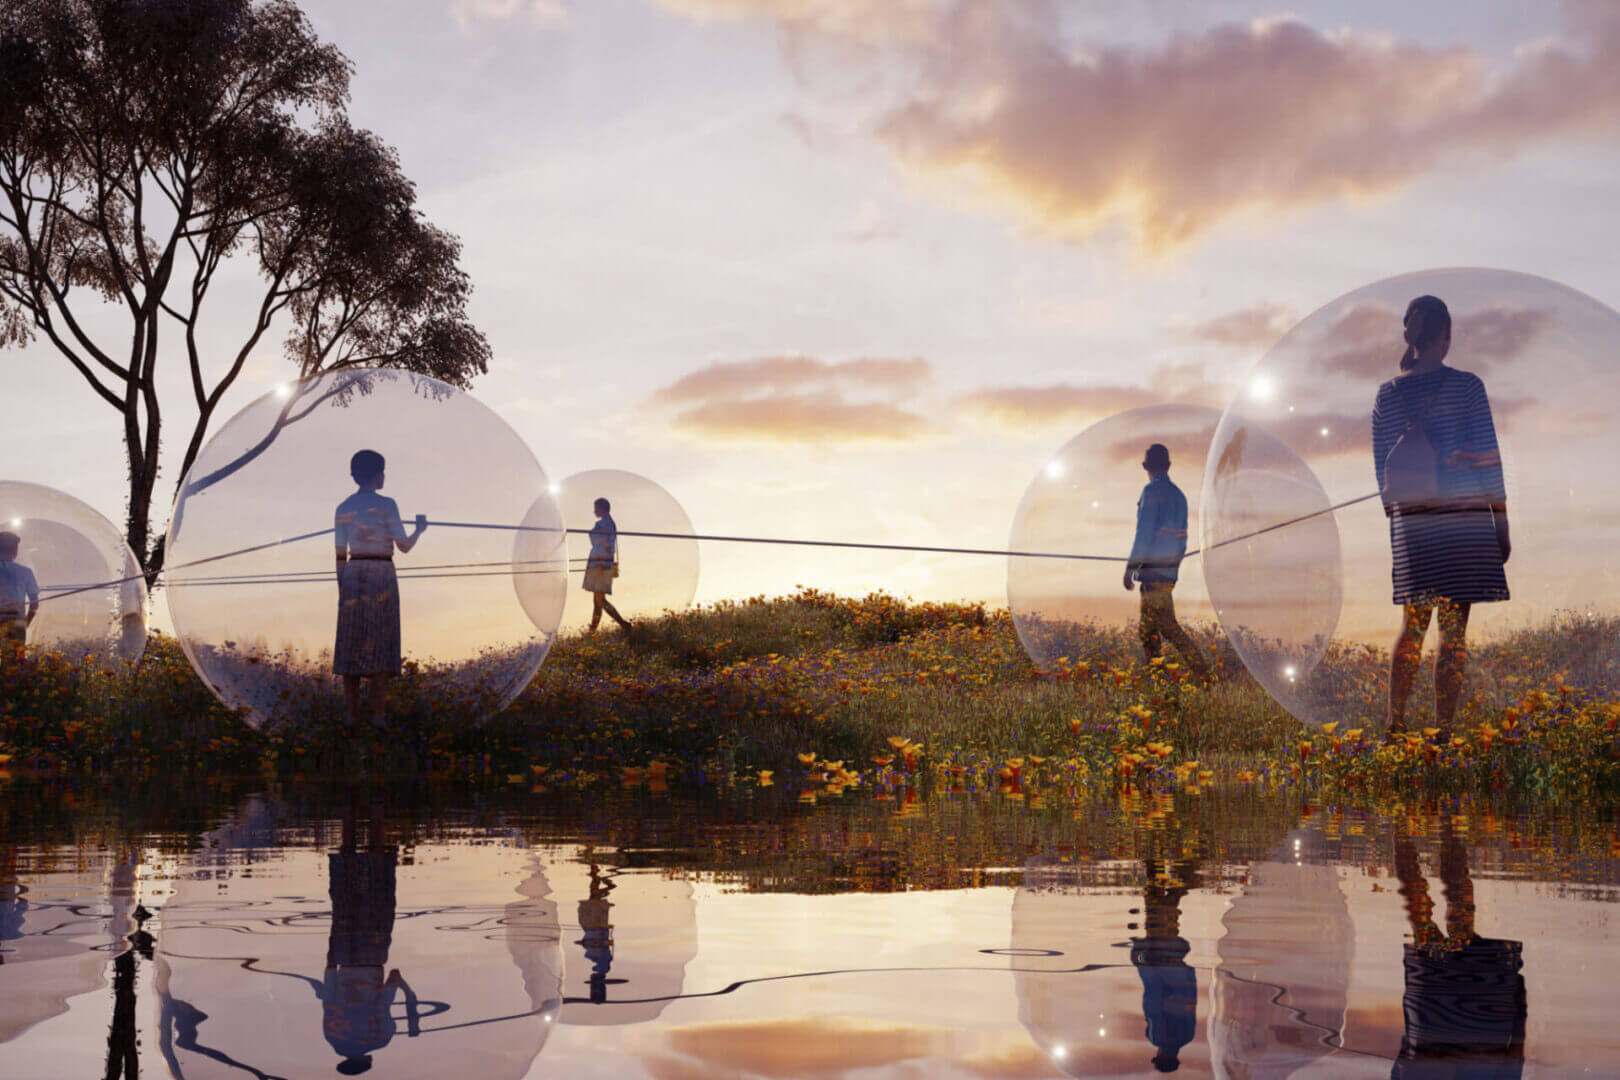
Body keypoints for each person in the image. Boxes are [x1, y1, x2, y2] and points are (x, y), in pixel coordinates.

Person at [1373, 296, 1510, 742]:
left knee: (1412, 626)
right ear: (1446, 338)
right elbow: (1488, 460)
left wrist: (1407, 515)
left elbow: (1384, 479)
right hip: (1466, 524)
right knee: (1454, 631)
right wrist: (1501, 524)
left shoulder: (1387, 395)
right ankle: (1443, 733)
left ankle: (1394, 724)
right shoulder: (1469, 387)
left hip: (1413, 526)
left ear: (1409, 335)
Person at [1389, 815, 1525, 1078]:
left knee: (1441, 911)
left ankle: (1432, 821)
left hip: (1470, 1018)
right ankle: (1424, 822)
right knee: (1424, 910)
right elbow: (1402, 1068)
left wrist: (1517, 998)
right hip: (1449, 1018)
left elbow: (1516, 1055)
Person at [320, 790, 420, 1076]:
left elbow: (391, 984)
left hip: (374, 952)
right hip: (342, 950)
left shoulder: (380, 1037)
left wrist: (403, 987)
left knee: (378, 876)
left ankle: (377, 807)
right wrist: (331, 949)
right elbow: (329, 988)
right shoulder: (332, 1035)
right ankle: (349, 808)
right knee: (346, 875)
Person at [333, 450, 426, 730]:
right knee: (380, 642)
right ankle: (378, 717)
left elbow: (339, 554)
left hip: (352, 572)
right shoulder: (388, 504)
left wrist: (342, 588)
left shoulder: (343, 507)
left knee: (351, 641)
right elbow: (404, 546)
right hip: (381, 572)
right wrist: (419, 529)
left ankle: (351, 716)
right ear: (377, 475)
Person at [1123, 444, 1211, 681]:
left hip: (1152, 574)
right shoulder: (1179, 496)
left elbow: (1144, 534)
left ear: (1145, 466)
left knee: (1159, 629)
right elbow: (1182, 540)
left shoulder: (1151, 493)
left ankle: (1179, 677)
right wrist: (1172, 568)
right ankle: (1170, 677)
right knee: (1157, 627)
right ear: (1169, 466)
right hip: (1168, 573)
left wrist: (1131, 567)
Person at [1131, 856, 1200, 1073]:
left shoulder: (1188, 1036)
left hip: (1176, 962)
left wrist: (1187, 972)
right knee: (1155, 904)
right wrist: (1140, 960)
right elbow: (1152, 998)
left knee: (1167, 911)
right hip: (1158, 959)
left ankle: (1184, 869)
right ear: (1160, 1057)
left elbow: (1192, 998)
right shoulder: (1157, 1037)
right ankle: (1168, 863)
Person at [583, 497, 631, 635]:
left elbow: (607, 545)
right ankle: (592, 631)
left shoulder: (606, 524)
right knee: (598, 600)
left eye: (596, 508)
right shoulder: (607, 523)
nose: (594, 511)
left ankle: (623, 624)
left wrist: (601, 564)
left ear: (602, 508)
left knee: (600, 600)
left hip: (600, 564)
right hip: (600, 563)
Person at [0, 531, 39, 653]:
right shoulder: (26, 572)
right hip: (17, 623)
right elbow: (34, 603)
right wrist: (25, 623)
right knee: (14, 665)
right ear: (15, 551)